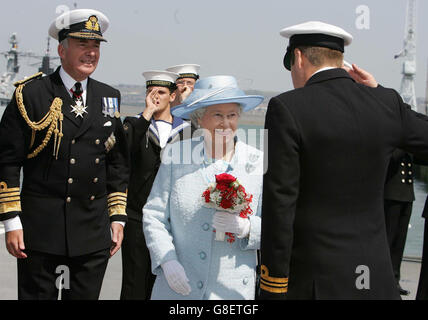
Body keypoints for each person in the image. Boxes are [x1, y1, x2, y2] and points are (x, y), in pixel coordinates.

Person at [259, 20, 428, 300]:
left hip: (316, 281)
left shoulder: (286, 108)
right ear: (340, 60)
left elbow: (280, 203)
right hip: (376, 280)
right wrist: (383, 93)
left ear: (298, 57)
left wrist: (273, 285)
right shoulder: (386, 102)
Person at [0, 9, 129, 300]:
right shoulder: (30, 95)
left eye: (95, 46)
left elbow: (117, 163)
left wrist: (117, 218)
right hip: (40, 233)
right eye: (83, 44)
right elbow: (7, 163)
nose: (91, 52)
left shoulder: (109, 97)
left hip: (92, 235)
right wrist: (11, 221)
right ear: (62, 49)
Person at [142, 75, 264, 300]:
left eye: (232, 115)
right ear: (200, 117)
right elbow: (154, 216)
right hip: (179, 286)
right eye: (217, 115)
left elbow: (277, 225)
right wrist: (167, 260)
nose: (226, 123)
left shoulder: (257, 161)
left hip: (231, 291)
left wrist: (247, 228)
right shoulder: (175, 155)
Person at [120, 70, 193, 300]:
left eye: (161, 92)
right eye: (151, 92)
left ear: (172, 96)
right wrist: (146, 114)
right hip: (137, 216)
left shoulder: (188, 129)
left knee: (169, 285)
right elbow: (122, 155)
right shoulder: (134, 124)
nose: (155, 96)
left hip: (173, 220)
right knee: (134, 282)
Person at [384, 149, 414, 296]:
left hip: (407, 194)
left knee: (400, 242)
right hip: (392, 192)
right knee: (389, 240)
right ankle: (384, 279)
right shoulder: (396, 137)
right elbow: (392, 157)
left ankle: (395, 279)